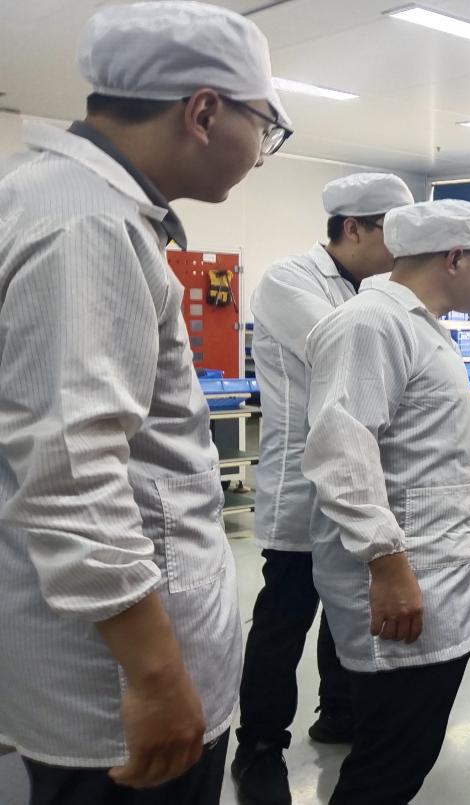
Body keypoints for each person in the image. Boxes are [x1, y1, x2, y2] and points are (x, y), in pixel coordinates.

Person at [0, 2, 291, 803]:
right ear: (204, 111)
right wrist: (158, 677)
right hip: (116, 684)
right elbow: (71, 473)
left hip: (103, 657)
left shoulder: (56, 198)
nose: (259, 152)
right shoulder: (87, 226)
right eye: (264, 126)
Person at [301, 199, 470, 804]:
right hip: (406, 580)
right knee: (388, 766)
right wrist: (388, 567)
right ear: (455, 257)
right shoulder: (371, 323)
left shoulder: (420, 324)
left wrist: (460, 425)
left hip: (436, 571)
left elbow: (393, 432)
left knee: (401, 753)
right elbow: (342, 450)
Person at [232, 173, 414, 803]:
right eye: (392, 230)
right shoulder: (290, 280)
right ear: (353, 227)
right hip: (303, 483)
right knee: (285, 617)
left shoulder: (380, 289)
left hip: (363, 475)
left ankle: (338, 712)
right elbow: (346, 353)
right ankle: (259, 744)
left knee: (349, 607)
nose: (402, 245)